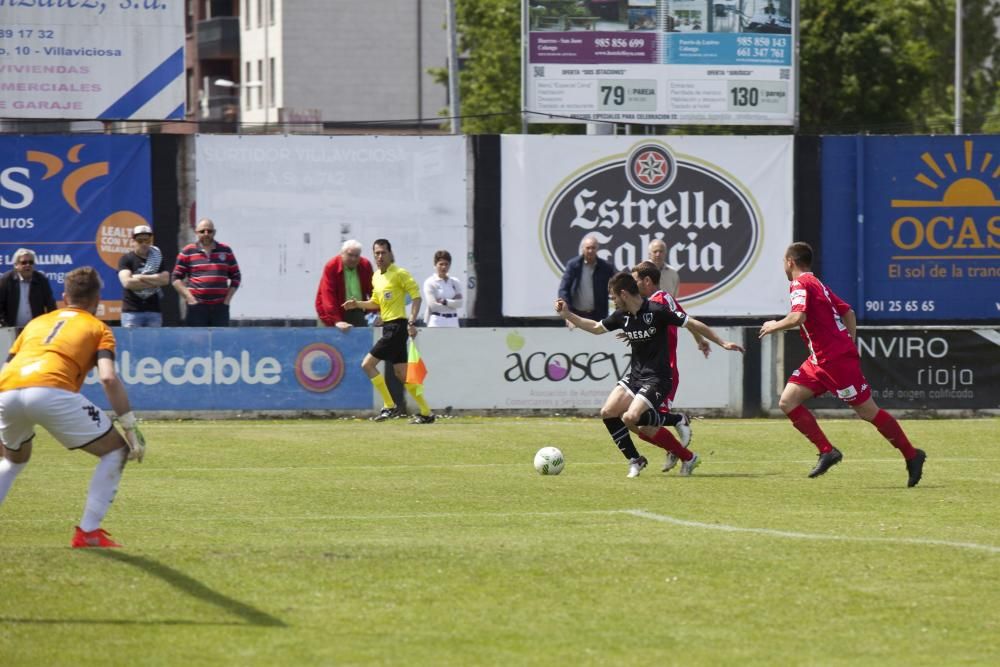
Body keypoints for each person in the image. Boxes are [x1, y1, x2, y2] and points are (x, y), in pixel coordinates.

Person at [758, 241, 927, 487]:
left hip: (835, 361)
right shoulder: (818, 284)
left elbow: (798, 316)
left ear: (790, 262)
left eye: (783, 262)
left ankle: (913, 455)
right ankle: (828, 451)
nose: (783, 266)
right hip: (820, 360)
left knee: (868, 412)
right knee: (788, 401)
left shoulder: (800, 283)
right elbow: (848, 313)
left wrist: (773, 325)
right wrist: (848, 343)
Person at [0, 266, 147, 548]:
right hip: (50, 390)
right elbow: (107, 377)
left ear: (65, 297)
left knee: (12, 460)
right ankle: (89, 532)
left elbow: (7, 366)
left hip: (7, 391)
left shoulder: (36, 323)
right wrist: (129, 426)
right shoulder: (98, 328)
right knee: (116, 450)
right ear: (97, 300)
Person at [556, 272, 744, 477]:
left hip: (658, 378)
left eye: (614, 297)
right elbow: (595, 327)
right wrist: (568, 314)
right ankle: (636, 459)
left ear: (624, 294)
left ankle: (675, 420)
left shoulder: (657, 310)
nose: (614, 302)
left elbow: (692, 323)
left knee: (631, 417)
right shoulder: (622, 316)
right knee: (608, 412)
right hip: (635, 376)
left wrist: (723, 342)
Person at [343, 239, 436, 424]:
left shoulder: (400, 273)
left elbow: (416, 298)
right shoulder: (376, 276)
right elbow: (375, 302)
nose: (379, 256)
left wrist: (411, 320)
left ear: (390, 254)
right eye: (376, 253)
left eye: (383, 253)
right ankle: (426, 413)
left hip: (397, 327)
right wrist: (357, 304)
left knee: (367, 365)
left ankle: (389, 405)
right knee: (402, 374)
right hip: (389, 327)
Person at [632, 261, 712, 471]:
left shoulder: (663, 299)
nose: (633, 285)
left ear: (647, 281)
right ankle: (678, 451)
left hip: (663, 373)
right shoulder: (648, 304)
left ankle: (680, 429)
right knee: (635, 422)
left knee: (642, 422)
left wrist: (700, 340)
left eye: (635, 281)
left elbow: (687, 320)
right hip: (647, 373)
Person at [172, 218, 242, 327]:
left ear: (214, 232)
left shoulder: (225, 250)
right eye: (202, 231)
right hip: (196, 308)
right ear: (196, 232)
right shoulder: (187, 251)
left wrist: (227, 300)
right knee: (197, 342)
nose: (206, 234)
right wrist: (190, 299)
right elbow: (175, 278)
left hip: (220, 307)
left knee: (220, 341)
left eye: (209, 231)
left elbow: (236, 276)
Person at [117, 225, 170, 328]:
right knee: (131, 343)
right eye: (140, 241)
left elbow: (165, 280)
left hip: (153, 311)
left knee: (153, 343)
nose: (144, 244)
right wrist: (155, 281)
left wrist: (140, 277)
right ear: (133, 241)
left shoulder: (157, 258)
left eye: (147, 240)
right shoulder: (126, 259)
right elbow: (127, 283)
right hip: (132, 312)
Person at [557, 233, 615, 328]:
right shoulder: (573, 265)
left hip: (598, 316)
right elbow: (563, 289)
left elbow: (616, 286)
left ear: (597, 249)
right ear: (582, 249)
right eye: (588, 248)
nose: (590, 250)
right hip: (576, 315)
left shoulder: (606, 267)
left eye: (593, 248)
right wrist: (567, 314)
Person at [315, 240, 374, 331]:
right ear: (342, 254)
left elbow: (373, 291)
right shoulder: (331, 266)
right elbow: (328, 296)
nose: (353, 259)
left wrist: (375, 314)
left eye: (356, 256)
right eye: (350, 255)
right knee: (331, 343)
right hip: (330, 312)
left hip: (356, 310)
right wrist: (336, 321)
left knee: (360, 340)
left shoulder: (365, 265)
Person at [0, 248, 57, 331]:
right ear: (16, 265)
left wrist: (51, 324)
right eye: (24, 262)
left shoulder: (41, 280)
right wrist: (3, 324)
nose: (28, 265)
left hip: (35, 329)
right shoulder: (6, 279)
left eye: (31, 262)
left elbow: (50, 304)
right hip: (11, 329)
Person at [422, 249, 463, 328]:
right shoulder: (430, 282)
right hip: (437, 321)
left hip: (453, 321)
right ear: (435, 265)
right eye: (441, 264)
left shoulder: (455, 282)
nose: (444, 267)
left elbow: (460, 303)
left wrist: (444, 301)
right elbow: (433, 306)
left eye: (446, 264)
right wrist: (453, 303)